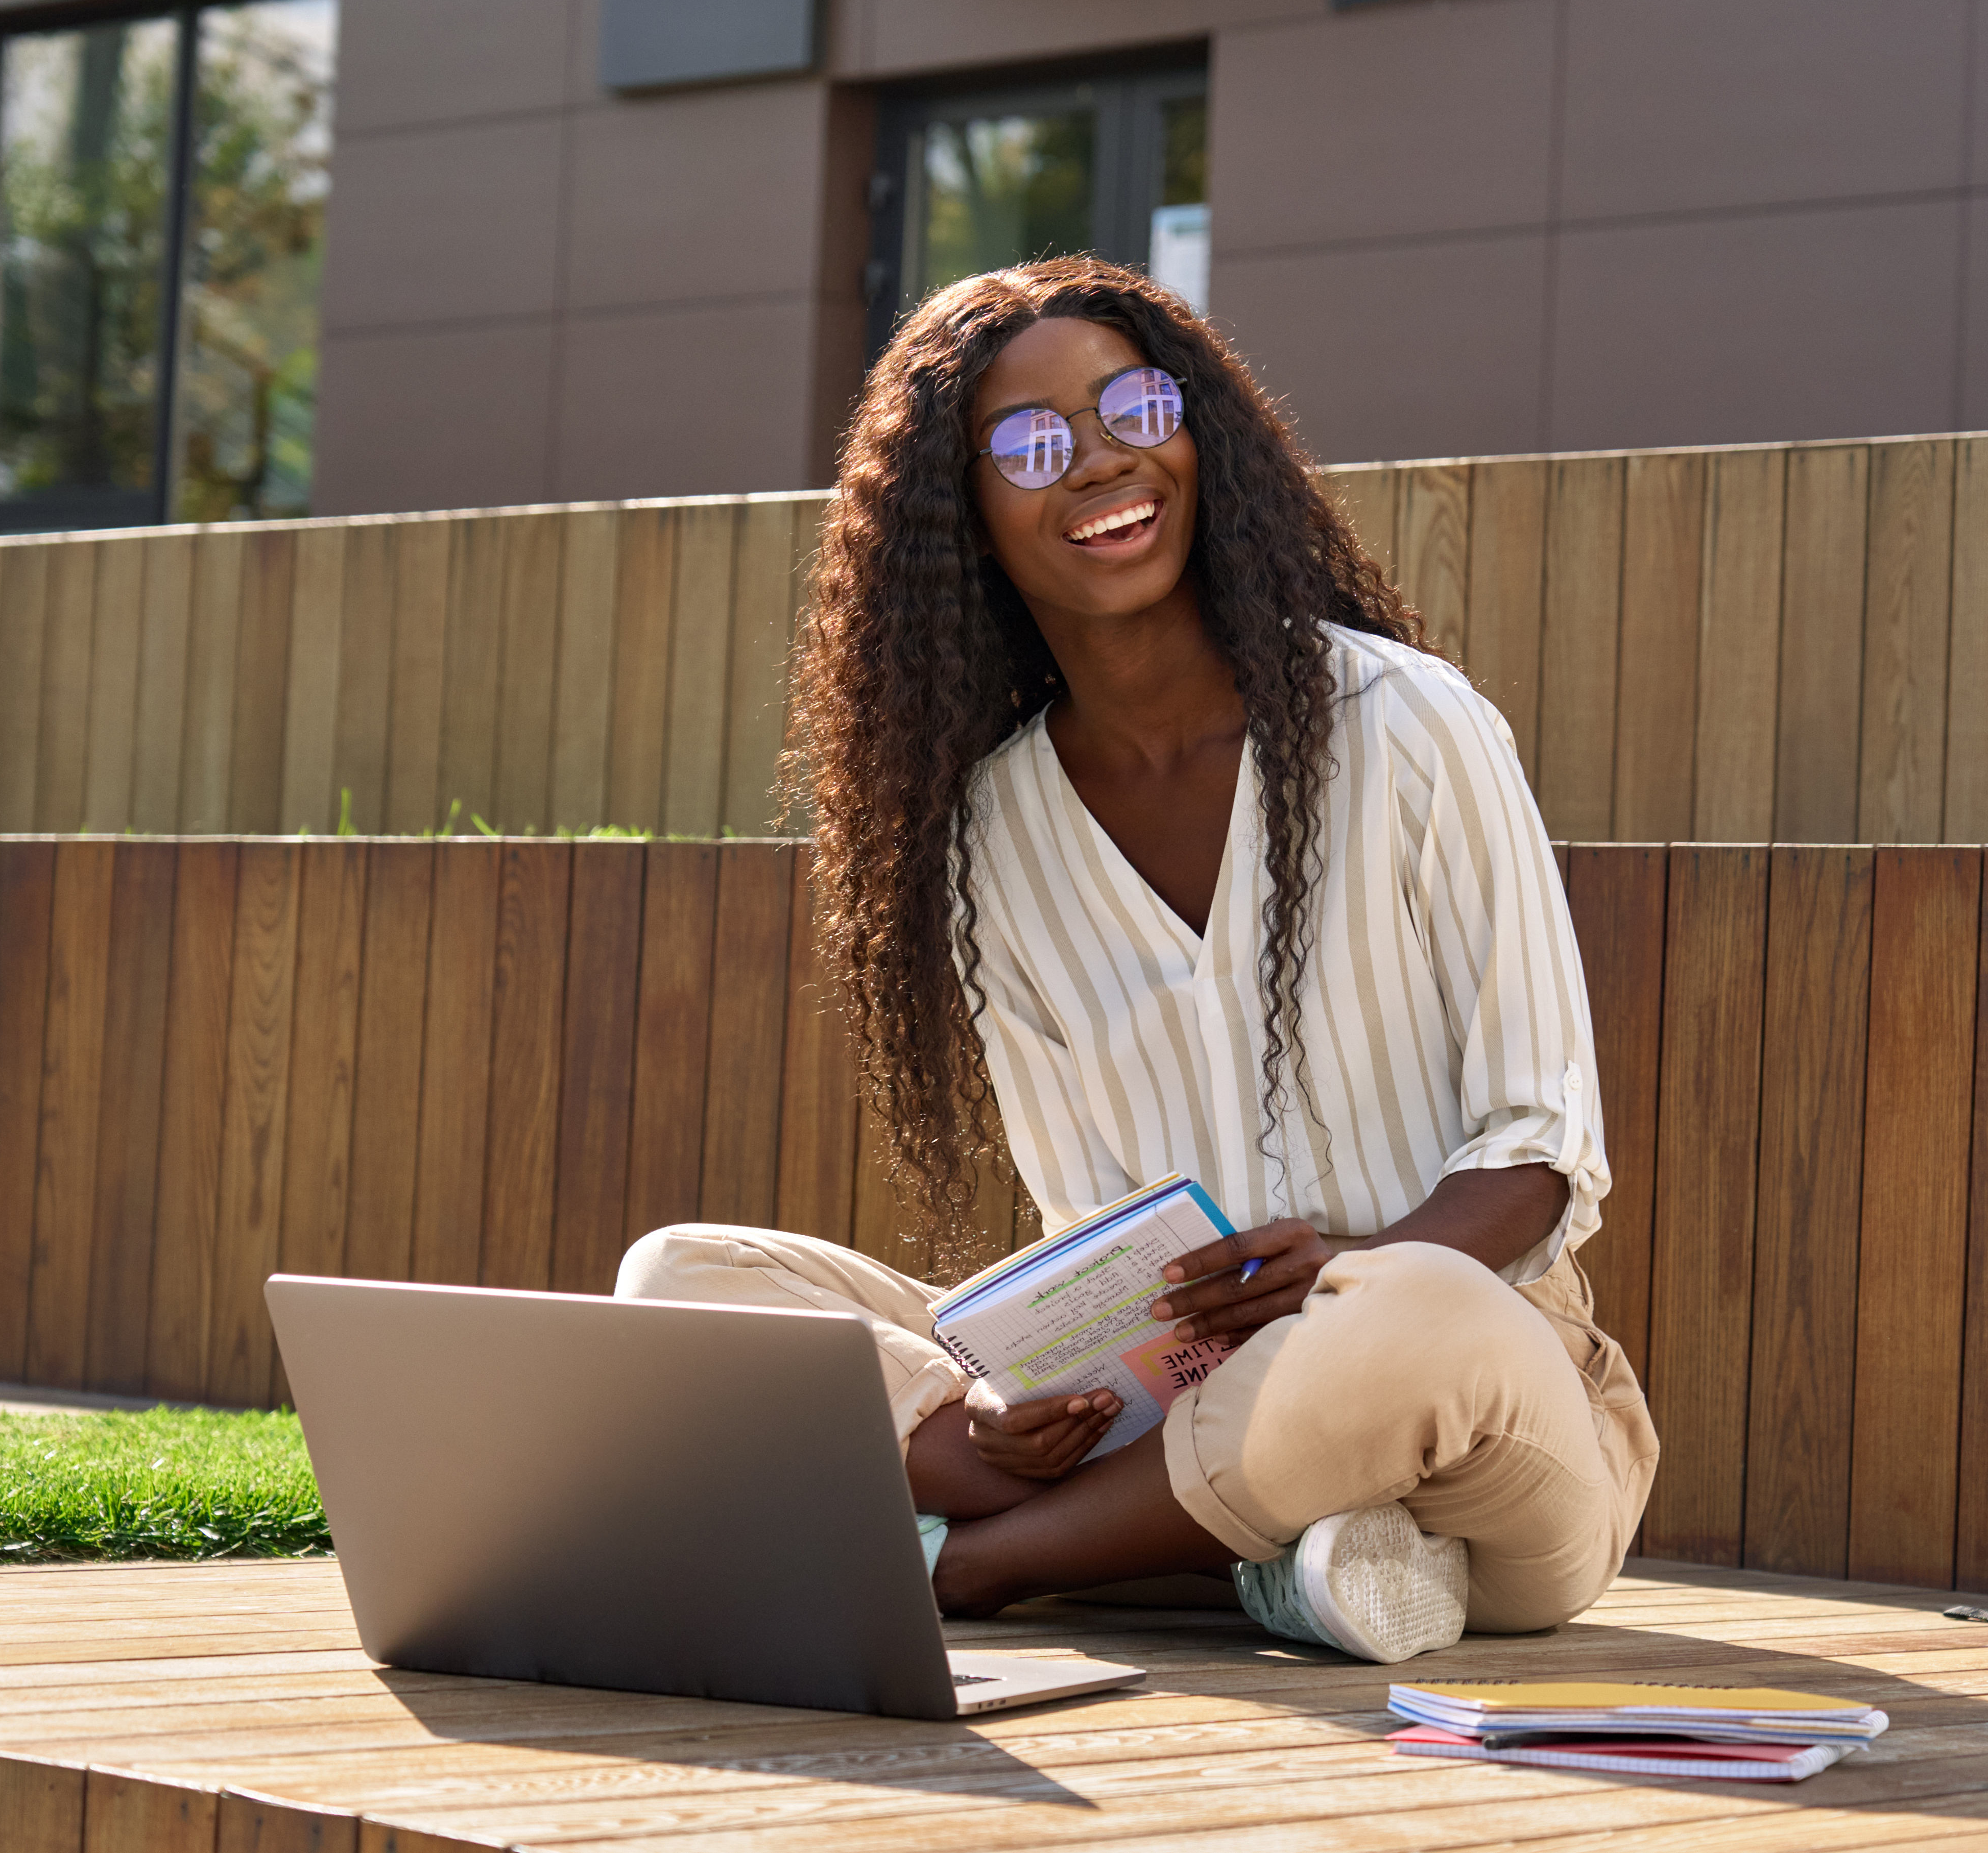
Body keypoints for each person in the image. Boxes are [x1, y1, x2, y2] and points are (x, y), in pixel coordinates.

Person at [615, 255, 1656, 1664]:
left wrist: (1347, 1269)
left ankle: (962, 1569)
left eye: (1134, 407)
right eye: (1034, 443)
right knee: (681, 1275)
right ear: (961, 518)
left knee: (1399, 1317)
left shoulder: (1409, 725)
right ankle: (1283, 1566)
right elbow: (1094, 1243)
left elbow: (1539, 1152)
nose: (1104, 460)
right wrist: (983, 1405)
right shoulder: (992, 831)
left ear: (1198, 431)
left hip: (1481, 1401)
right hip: (1176, 1407)